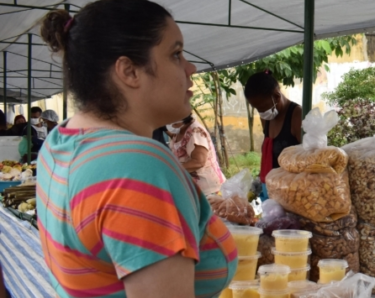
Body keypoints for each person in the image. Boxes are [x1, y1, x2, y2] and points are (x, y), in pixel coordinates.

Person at [36, 1, 237, 297]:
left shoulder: (60, 141)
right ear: (129, 71)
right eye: (176, 54)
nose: (191, 68)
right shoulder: (139, 166)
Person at [243, 71, 302, 200]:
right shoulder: (267, 117)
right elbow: (269, 154)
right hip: (269, 188)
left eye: (263, 107)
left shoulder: (297, 116)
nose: (261, 112)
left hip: (292, 192)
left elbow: (309, 159)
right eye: (257, 108)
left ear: (276, 96)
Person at [167, 114, 226, 195]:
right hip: (192, 189)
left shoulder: (195, 131)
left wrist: (171, 169)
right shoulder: (179, 130)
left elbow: (198, 162)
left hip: (208, 190)